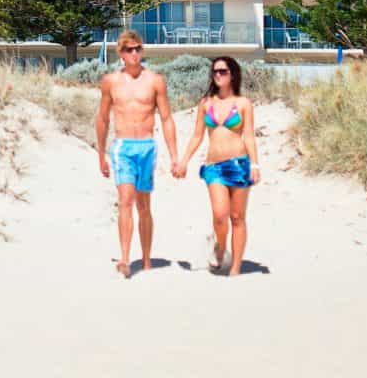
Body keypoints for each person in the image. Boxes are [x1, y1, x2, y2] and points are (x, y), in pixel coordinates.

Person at [95, 29, 177, 279]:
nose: (134, 53)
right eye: (129, 49)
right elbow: (102, 118)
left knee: (144, 205)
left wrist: (174, 156)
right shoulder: (110, 81)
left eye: (138, 48)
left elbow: (166, 118)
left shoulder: (155, 80)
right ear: (120, 53)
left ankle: (147, 258)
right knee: (125, 201)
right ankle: (125, 258)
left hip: (146, 147)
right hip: (122, 148)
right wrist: (101, 154)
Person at [172, 56, 259, 276]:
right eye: (215, 72)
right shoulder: (206, 104)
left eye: (223, 71)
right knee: (220, 215)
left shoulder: (243, 104)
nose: (218, 75)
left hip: (239, 165)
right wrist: (184, 161)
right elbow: (197, 136)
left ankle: (236, 267)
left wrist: (255, 164)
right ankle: (220, 247)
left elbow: (249, 136)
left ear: (232, 75)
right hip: (214, 168)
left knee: (237, 217)